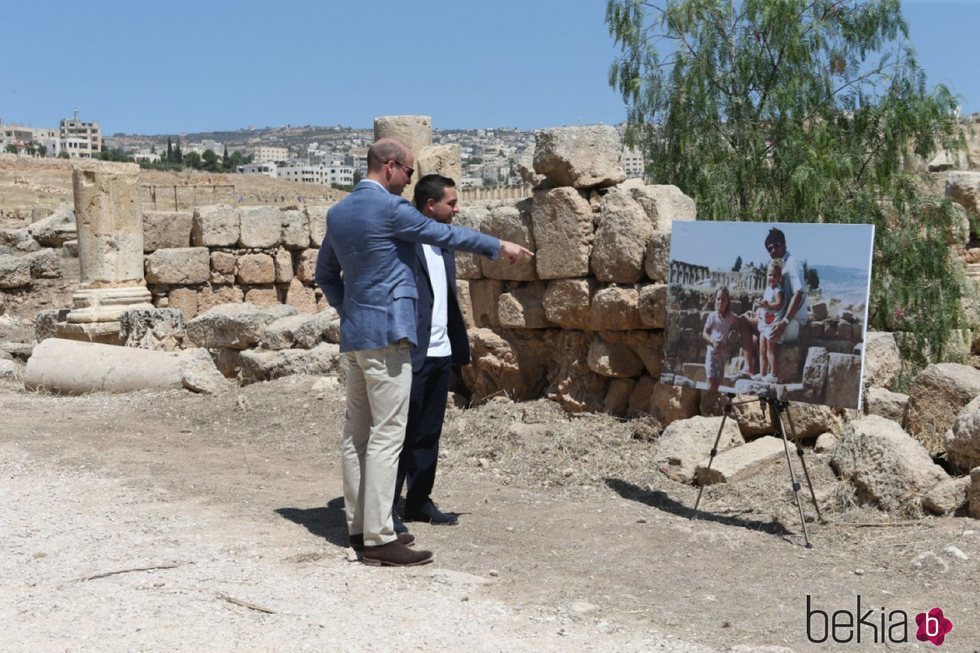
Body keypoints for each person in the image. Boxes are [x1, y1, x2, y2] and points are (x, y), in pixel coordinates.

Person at [315, 138, 532, 567]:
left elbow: (326, 273)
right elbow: (444, 233)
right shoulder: (392, 209)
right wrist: (498, 246)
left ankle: (359, 528)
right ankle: (379, 538)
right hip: (390, 335)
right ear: (391, 167)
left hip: (357, 335)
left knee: (356, 435)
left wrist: (352, 310)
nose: (409, 180)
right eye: (409, 173)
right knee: (388, 436)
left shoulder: (338, 212)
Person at [393, 174, 466, 527]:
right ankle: (386, 508)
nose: (456, 209)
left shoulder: (445, 243)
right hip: (412, 352)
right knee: (400, 435)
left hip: (441, 351)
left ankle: (418, 502)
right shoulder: (404, 241)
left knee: (428, 434)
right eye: (451, 203)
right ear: (430, 205)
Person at [737, 227, 809, 377]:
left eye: (776, 245)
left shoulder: (792, 263)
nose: (773, 250)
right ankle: (755, 373)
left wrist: (784, 321)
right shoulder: (778, 267)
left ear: (784, 244)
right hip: (779, 318)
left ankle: (750, 369)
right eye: (769, 248)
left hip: (791, 322)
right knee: (751, 331)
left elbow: (799, 294)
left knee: (745, 322)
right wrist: (759, 312)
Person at [702, 287, 737, 393]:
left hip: (722, 354)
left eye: (723, 299)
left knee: (717, 382)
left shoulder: (730, 317)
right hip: (712, 352)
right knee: (711, 381)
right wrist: (713, 342)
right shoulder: (712, 316)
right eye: (718, 299)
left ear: (727, 301)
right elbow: (704, 333)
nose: (720, 302)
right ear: (715, 300)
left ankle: (712, 404)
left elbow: (740, 320)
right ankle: (707, 403)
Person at [754, 259, 784, 383]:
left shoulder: (778, 290)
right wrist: (760, 307)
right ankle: (762, 373)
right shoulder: (767, 289)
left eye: (774, 275)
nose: (772, 278)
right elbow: (765, 304)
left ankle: (774, 375)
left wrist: (767, 304)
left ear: (779, 277)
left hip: (772, 324)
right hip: (764, 323)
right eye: (770, 275)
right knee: (762, 349)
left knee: (771, 349)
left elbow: (779, 304)